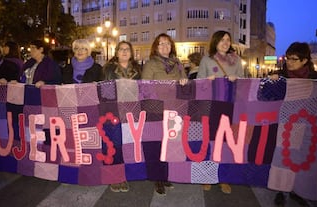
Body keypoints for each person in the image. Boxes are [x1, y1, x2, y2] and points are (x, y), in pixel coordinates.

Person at [270, 42, 317, 207]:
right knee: (283, 158)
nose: (289, 62)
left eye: (294, 59)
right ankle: (281, 190)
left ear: (305, 60)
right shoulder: (281, 76)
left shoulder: (316, 79)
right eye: (287, 58)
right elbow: (266, 93)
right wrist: (271, 81)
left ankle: (298, 191)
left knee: (301, 160)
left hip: (307, 126)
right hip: (285, 125)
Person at [197, 30, 245, 194]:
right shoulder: (207, 59)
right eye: (222, 40)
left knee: (226, 143)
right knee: (210, 141)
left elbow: (244, 83)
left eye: (228, 40)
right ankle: (207, 176)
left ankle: (223, 177)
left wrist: (236, 80)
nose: (225, 42)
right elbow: (199, 84)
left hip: (230, 106)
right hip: (212, 107)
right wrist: (207, 81)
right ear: (215, 42)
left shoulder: (237, 60)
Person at [142, 33, 187, 195]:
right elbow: (145, 88)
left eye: (167, 43)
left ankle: (166, 175)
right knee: (155, 145)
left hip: (173, 110)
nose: (164, 46)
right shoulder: (150, 64)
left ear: (171, 46)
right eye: (161, 44)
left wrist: (184, 81)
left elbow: (185, 84)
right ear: (156, 47)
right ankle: (157, 178)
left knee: (170, 144)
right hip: (155, 111)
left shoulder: (178, 64)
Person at [102, 41, 141, 193]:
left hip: (131, 112)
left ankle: (123, 175)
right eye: (121, 49)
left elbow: (143, 89)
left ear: (131, 53)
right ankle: (114, 176)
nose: (124, 52)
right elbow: (104, 91)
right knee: (114, 144)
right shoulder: (108, 69)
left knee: (127, 145)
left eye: (127, 49)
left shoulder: (138, 69)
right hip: (113, 111)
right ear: (116, 53)